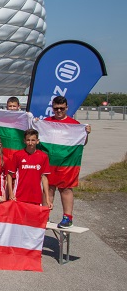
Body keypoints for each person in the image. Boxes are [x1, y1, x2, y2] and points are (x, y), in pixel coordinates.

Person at [46, 95, 91, 228]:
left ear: (67, 108)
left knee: (66, 189)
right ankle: (45, 214)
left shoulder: (75, 125)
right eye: (56, 109)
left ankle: (67, 217)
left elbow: (82, 143)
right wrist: (36, 123)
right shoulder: (46, 122)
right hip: (50, 162)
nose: (59, 111)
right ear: (52, 108)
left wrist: (86, 133)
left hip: (67, 163)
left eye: (61, 108)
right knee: (48, 189)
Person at [6, 129, 51, 207]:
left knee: (33, 219)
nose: (30, 143)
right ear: (24, 141)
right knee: (19, 219)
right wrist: (11, 193)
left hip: (36, 197)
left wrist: (47, 198)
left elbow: (44, 178)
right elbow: (9, 175)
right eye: (28, 140)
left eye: (33, 140)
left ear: (37, 141)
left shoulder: (43, 156)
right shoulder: (18, 155)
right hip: (19, 195)